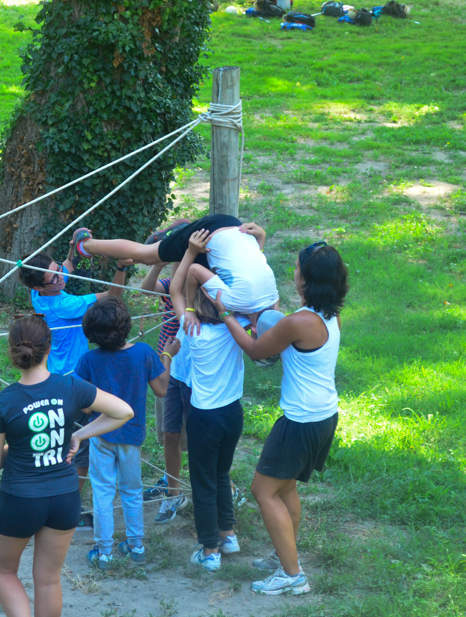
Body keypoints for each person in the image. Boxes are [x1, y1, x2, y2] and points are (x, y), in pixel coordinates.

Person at [211, 240, 348, 596]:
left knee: (263, 490)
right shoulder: (327, 314)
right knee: (284, 487)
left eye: (298, 268)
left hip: (300, 421)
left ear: (305, 279)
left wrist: (224, 312)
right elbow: (282, 324)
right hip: (322, 415)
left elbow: (257, 349)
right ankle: (284, 555)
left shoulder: (300, 322)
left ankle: (293, 576)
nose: (294, 271)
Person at [0, 316, 134, 617]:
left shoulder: (4, 402)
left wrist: (17, 444)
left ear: (12, 350)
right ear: (49, 347)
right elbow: (124, 411)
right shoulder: (71, 387)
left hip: (20, 499)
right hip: (64, 497)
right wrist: (78, 434)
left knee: (3, 571)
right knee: (49, 580)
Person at [18, 244, 133, 527]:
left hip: (57, 374)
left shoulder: (38, 292)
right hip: (75, 380)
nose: (60, 277)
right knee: (79, 446)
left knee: (64, 439)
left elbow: (67, 267)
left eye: (57, 270)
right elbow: (112, 297)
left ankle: (55, 497)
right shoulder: (64, 304)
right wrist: (120, 268)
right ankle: (71, 507)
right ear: (40, 287)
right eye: (53, 278)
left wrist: (72, 247)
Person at [74, 297, 177, 568]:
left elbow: (85, 408)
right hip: (131, 436)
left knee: (103, 490)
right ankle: (136, 547)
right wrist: (166, 354)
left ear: (91, 332)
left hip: (101, 434)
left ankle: (104, 552)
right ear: (126, 325)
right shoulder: (144, 353)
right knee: (132, 490)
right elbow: (162, 389)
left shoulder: (87, 360)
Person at [168, 230, 247, 571]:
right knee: (220, 473)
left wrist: (189, 252)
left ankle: (209, 550)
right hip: (233, 414)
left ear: (194, 305)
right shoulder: (238, 324)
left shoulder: (190, 328)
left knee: (202, 480)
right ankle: (228, 535)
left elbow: (175, 287)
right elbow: (253, 292)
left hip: (205, 416)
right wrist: (255, 245)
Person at [72, 215, 279, 329]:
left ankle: (177, 237)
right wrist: (189, 309)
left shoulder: (273, 298)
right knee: (147, 255)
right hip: (208, 235)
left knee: (195, 258)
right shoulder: (235, 302)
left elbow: (250, 264)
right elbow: (195, 270)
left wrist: (261, 240)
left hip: (237, 229)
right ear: (254, 330)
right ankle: (85, 246)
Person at [139, 262, 191, 524]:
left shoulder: (205, 287)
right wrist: (157, 263)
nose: (176, 265)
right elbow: (146, 290)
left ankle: (225, 489)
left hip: (196, 373)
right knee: (170, 433)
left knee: (201, 437)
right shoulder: (172, 285)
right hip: (168, 368)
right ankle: (173, 491)